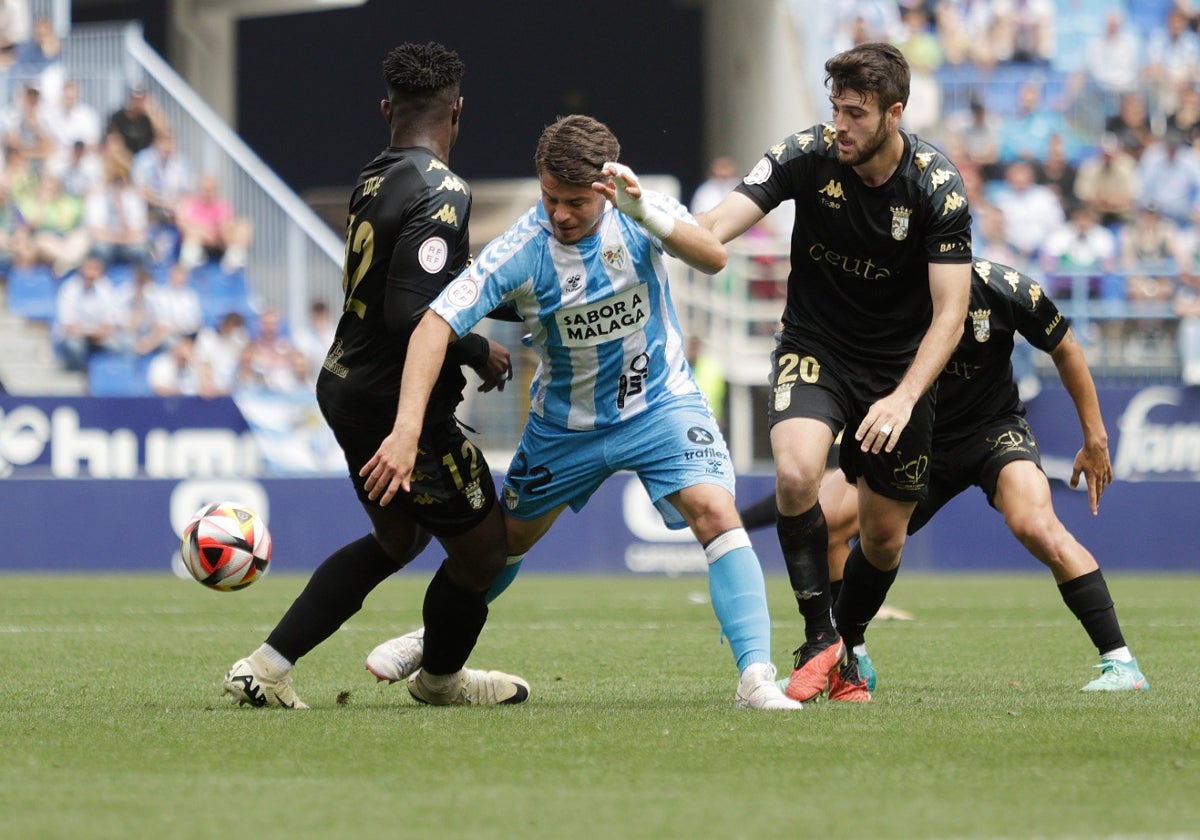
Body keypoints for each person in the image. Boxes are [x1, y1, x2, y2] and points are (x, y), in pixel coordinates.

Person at [362, 114, 802, 711]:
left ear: (606, 188)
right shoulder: (521, 250)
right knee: (498, 547)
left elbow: (713, 256)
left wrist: (646, 211)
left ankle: (756, 678)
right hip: (564, 426)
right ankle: (436, 638)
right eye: (550, 198)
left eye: (575, 202)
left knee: (715, 510)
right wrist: (406, 430)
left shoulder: (642, 212)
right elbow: (435, 323)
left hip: (659, 405)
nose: (560, 213)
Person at [221, 41, 527, 709]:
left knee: (398, 537)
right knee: (484, 554)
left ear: (387, 109)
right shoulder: (444, 191)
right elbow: (410, 309)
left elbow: (425, 283)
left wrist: (518, 301)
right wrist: (476, 350)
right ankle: (441, 680)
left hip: (345, 383)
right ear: (458, 112)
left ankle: (265, 667)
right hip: (397, 405)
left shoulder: (373, 175)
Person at [695, 41, 973, 703]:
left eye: (855, 113)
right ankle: (819, 635)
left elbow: (951, 314)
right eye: (835, 109)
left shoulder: (936, 186)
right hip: (815, 346)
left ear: (894, 113)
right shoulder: (807, 153)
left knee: (883, 535)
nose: (839, 124)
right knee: (796, 472)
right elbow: (716, 226)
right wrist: (654, 221)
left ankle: (844, 643)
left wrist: (905, 397)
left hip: (900, 371)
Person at [739, 259, 1151, 693]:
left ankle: (1121, 663)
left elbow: (1065, 346)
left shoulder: (1005, 288)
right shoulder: (883, 293)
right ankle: (851, 658)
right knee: (830, 526)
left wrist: (1095, 437)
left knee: (1037, 525)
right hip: (915, 437)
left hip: (991, 431)